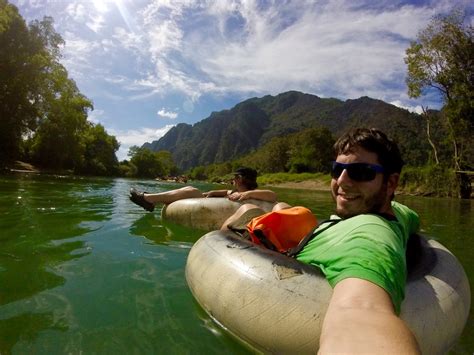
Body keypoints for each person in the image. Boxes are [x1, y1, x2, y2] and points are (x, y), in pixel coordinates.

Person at [222, 128, 421, 353]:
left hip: (281, 245)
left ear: (391, 183)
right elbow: (410, 216)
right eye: (337, 170)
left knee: (247, 210)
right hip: (314, 233)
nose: (342, 181)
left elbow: (363, 311)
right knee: (279, 209)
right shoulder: (399, 213)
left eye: (361, 172)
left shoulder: (369, 238)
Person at [129, 167, 278, 212]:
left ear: (240, 179)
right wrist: (207, 194)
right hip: (216, 206)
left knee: (192, 191)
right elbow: (215, 193)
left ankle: (148, 199)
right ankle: (151, 200)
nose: (232, 180)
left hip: (228, 214)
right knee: (191, 188)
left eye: (235, 178)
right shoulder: (232, 192)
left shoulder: (255, 194)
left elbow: (272, 195)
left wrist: (247, 194)